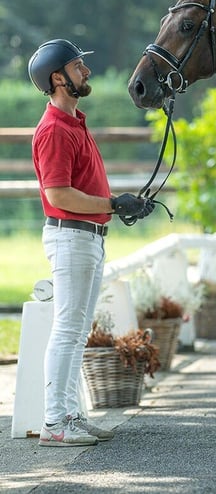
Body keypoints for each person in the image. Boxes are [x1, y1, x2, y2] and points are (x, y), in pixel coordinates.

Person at [27, 39, 153, 447]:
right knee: (67, 330)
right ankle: (55, 422)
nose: (87, 72)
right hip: (72, 238)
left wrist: (116, 205)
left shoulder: (74, 123)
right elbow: (59, 195)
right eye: (79, 67)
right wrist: (114, 203)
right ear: (58, 78)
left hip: (87, 238)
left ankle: (69, 414)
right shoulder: (55, 131)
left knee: (76, 331)